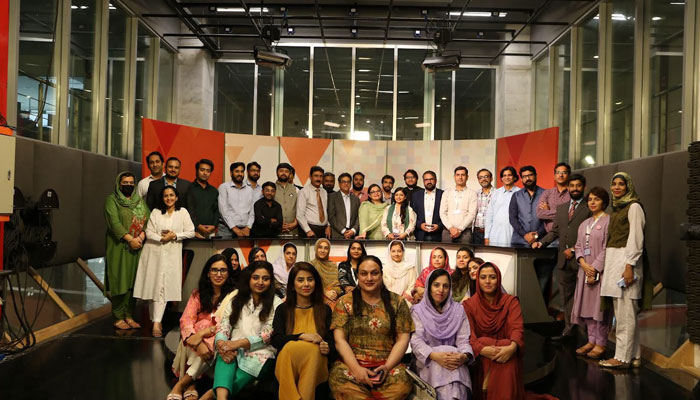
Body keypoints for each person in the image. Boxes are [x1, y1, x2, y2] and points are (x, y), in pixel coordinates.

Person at [328, 256, 414, 400]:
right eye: (364, 273)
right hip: (351, 365)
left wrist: (387, 367)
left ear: (381, 274)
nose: (369, 278)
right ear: (357, 276)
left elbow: (403, 339)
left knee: (402, 385)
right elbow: (339, 340)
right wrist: (356, 369)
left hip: (388, 366)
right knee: (339, 381)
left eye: (374, 273)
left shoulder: (397, 302)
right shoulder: (344, 302)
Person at [210, 261, 283, 400]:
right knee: (225, 356)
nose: (260, 282)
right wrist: (221, 343)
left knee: (239, 374)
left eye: (265, 279)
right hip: (234, 347)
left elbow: (267, 334)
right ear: (248, 278)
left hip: (262, 352)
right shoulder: (236, 298)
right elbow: (225, 324)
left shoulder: (276, 302)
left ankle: (210, 396)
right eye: (256, 277)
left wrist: (236, 344)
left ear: (271, 281)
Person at [599, 172, 650, 369]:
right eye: (614, 184)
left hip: (626, 265)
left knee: (625, 316)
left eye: (621, 184)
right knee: (624, 314)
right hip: (615, 264)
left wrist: (629, 266)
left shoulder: (634, 207)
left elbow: (636, 238)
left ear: (628, 186)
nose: (617, 187)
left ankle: (621, 358)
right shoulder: (618, 208)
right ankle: (634, 356)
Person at [169, 254, 237, 400]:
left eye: (223, 270)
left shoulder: (234, 296)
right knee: (193, 331)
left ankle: (182, 384)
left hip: (217, 340)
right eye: (214, 270)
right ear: (207, 273)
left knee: (212, 336)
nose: (218, 274)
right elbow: (186, 319)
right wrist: (198, 340)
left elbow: (227, 324)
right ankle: (191, 384)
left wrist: (204, 333)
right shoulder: (198, 294)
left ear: (228, 273)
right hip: (196, 342)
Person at [533, 174, 591, 337]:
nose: (574, 189)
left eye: (578, 186)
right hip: (563, 261)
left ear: (584, 187)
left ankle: (584, 333)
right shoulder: (562, 208)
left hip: (583, 260)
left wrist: (573, 249)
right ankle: (569, 329)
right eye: (572, 186)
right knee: (566, 296)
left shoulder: (589, 207)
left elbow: (591, 235)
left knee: (583, 297)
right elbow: (555, 231)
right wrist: (541, 243)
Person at [134, 186, 195, 337]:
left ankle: (156, 322)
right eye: (166, 196)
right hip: (154, 253)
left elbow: (191, 231)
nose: (169, 198)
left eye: (171, 195)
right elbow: (149, 232)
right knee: (154, 287)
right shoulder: (156, 212)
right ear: (162, 198)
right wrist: (162, 238)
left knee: (163, 287)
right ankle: (155, 320)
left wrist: (175, 236)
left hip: (172, 254)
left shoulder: (182, 212)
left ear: (177, 197)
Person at [272, 262, 334, 400]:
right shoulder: (283, 309)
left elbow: (332, 343)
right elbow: (276, 340)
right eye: (300, 280)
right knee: (288, 348)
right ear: (292, 285)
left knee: (313, 350)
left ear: (315, 283)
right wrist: (301, 336)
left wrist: (327, 347)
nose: (306, 284)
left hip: (316, 362)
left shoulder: (325, 310)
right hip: (288, 362)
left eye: (310, 279)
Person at [463, 262, 525, 400]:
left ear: (498, 279)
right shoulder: (469, 305)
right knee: (484, 342)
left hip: (507, 352)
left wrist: (511, 348)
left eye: (492, 277)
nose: (487, 281)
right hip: (480, 354)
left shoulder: (511, 302)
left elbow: (517, 328)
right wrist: (482, 349)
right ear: (477, 280)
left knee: (507, 352)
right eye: (483, 277)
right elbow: (468, 335)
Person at [411, 269, 474, 400]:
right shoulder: (417, 311)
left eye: (446, 286)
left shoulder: (458, 310)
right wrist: (435, 356)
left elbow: (463, 340)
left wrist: (463, 356)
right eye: (436, 285)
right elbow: (417, 342)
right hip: (428, 360)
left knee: (455, 367)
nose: (441, 290)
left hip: (454, 360)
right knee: (441, 367)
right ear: (428, 287)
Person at [104, 171, 150, 330]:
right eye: (125, 183)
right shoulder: (112, 200)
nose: (128, 185)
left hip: (137, 248)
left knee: (134, 282)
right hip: (119, 247)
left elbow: (148, 220)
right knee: (119, 281)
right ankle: (118, 317)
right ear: (119, 184)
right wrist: (130, 239)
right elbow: (114, 223)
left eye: (131, 183)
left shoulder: (139, 201)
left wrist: (141, 237)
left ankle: (129, 315)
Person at [572, 187, 611, 360]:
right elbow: (578, 246)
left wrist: (594, 268)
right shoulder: (584, 224)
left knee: (599, 309)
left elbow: (607, 248)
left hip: (600, 272)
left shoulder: (609, 221)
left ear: (604, 202)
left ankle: (601, 343)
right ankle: (591, 340)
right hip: (584, 270)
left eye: (597, 199)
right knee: (587, 307)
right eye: (590, 199)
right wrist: (582, 263)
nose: (592, 202)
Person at [218, 162, 260, 239]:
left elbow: (252, 211)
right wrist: (234, 228)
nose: (240, 174)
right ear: (231, 173)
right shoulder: (224, 187)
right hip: (226, 230)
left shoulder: (249, 190)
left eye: (242, 171)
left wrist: (248, 227)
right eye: (237, 171)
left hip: (245, 230)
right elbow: (223, 210)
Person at [509, 165, 546, 246]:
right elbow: (513, 218)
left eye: (530, 175)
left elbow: (549, 219)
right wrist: (525, 235)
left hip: (540, 241)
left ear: (536, 176)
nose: (528, 178)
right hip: (519, 241)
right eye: (524, 176)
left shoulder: (546, 194)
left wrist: (537, 234)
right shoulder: (516, 195)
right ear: (521, 179)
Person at [440, 166, 478, 244]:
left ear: (467, 177)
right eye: (458, 175)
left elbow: (472, 214)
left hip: (465, 232)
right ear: (454, 177)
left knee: (465, 251)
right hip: (447, 231)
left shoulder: (472, 193)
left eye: (463, 175)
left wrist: (460, 229)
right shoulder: (447, 193)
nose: (460, 177)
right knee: (446, 251)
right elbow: (442, 213)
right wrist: (450, 228)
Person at [484, 166, 520, 246]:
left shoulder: (520, 193)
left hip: (512, 231)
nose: (507, 178)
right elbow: (490, 215)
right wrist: (487, 236)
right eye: (504, 175)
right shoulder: (496, 193)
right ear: (501, 178)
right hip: (496, 232)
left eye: (509, 175)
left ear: (514, 177)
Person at [186, 159, 220, 239]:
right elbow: (189, 210)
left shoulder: (214, 191)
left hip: (210, 231)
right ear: (196, 171)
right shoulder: (189, 188)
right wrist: (198, 225)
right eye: (202, 170)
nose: (205, 173)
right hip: (193, 230)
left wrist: (214, 226)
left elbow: (216, 210)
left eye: (208, 171)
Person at [536, 162, 572, 236]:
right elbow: (539, 213)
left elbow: (572, 215)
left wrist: (548, 211)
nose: (561, 175)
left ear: (569, 176)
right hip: (550, 236)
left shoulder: (573, 194)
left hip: (567, 236)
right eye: (558, 172)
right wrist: (564, 214)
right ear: (554, 176)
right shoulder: (547, 193)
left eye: (564, 172)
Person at [297, 166, 331, 238]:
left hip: (323, 230)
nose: (318, 179)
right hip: (309, 230)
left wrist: (328, 225)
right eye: (316, 176)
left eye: (321, 176)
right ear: (310, 177)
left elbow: (325, 211)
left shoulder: (324, 192)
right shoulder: (303, 192)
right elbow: (300, 214)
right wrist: (307, 230)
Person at [412, 170, 444, 242]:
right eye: (426, 179)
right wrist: (420, 225)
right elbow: (412, 214)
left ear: (436, 180)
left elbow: (447, 213)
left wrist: (439, 225)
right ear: (423, 181)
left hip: (438, 234)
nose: (429, 182)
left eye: (431, 179)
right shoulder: (416, 195)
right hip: (420, 233)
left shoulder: (443, 194)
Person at [311, 238, 343, 308]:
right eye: (320, 247)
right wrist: (325, 292)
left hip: (332, 300)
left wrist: (335, 293)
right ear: (316, 249)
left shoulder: (333, 265)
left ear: (328, 251)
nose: (322, 251)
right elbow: (311, 285)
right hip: (316, 299)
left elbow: (337, 284)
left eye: (326, 248)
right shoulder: (311, 265)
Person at [328, 173, 360, 239]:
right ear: (339, 184)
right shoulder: (332, 197)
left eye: (348, 182)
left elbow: (358, 217)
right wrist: (343, 231)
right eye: (343, 182)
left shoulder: (356, 199)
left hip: (352, 235)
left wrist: (353, 230)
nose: (346, 184)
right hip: (337, 234)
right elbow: (331, 217)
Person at [274, 163, 299, 236]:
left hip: (293, 231)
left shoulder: (296, 190)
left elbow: (300, 209)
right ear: (277, 173)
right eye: (281, 171)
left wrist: (295, 224)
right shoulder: (271, 189)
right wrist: (277, 224)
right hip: (275, 231)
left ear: (289, 174)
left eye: (286, 171)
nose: (284, 173)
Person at [473, 168, 494, 245]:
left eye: (486, 176)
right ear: (478, 180)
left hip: (492, 232)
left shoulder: (498, 193)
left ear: (491, 178)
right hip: (476, 233)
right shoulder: (475, 194)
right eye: (481, 177)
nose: (483, 179)